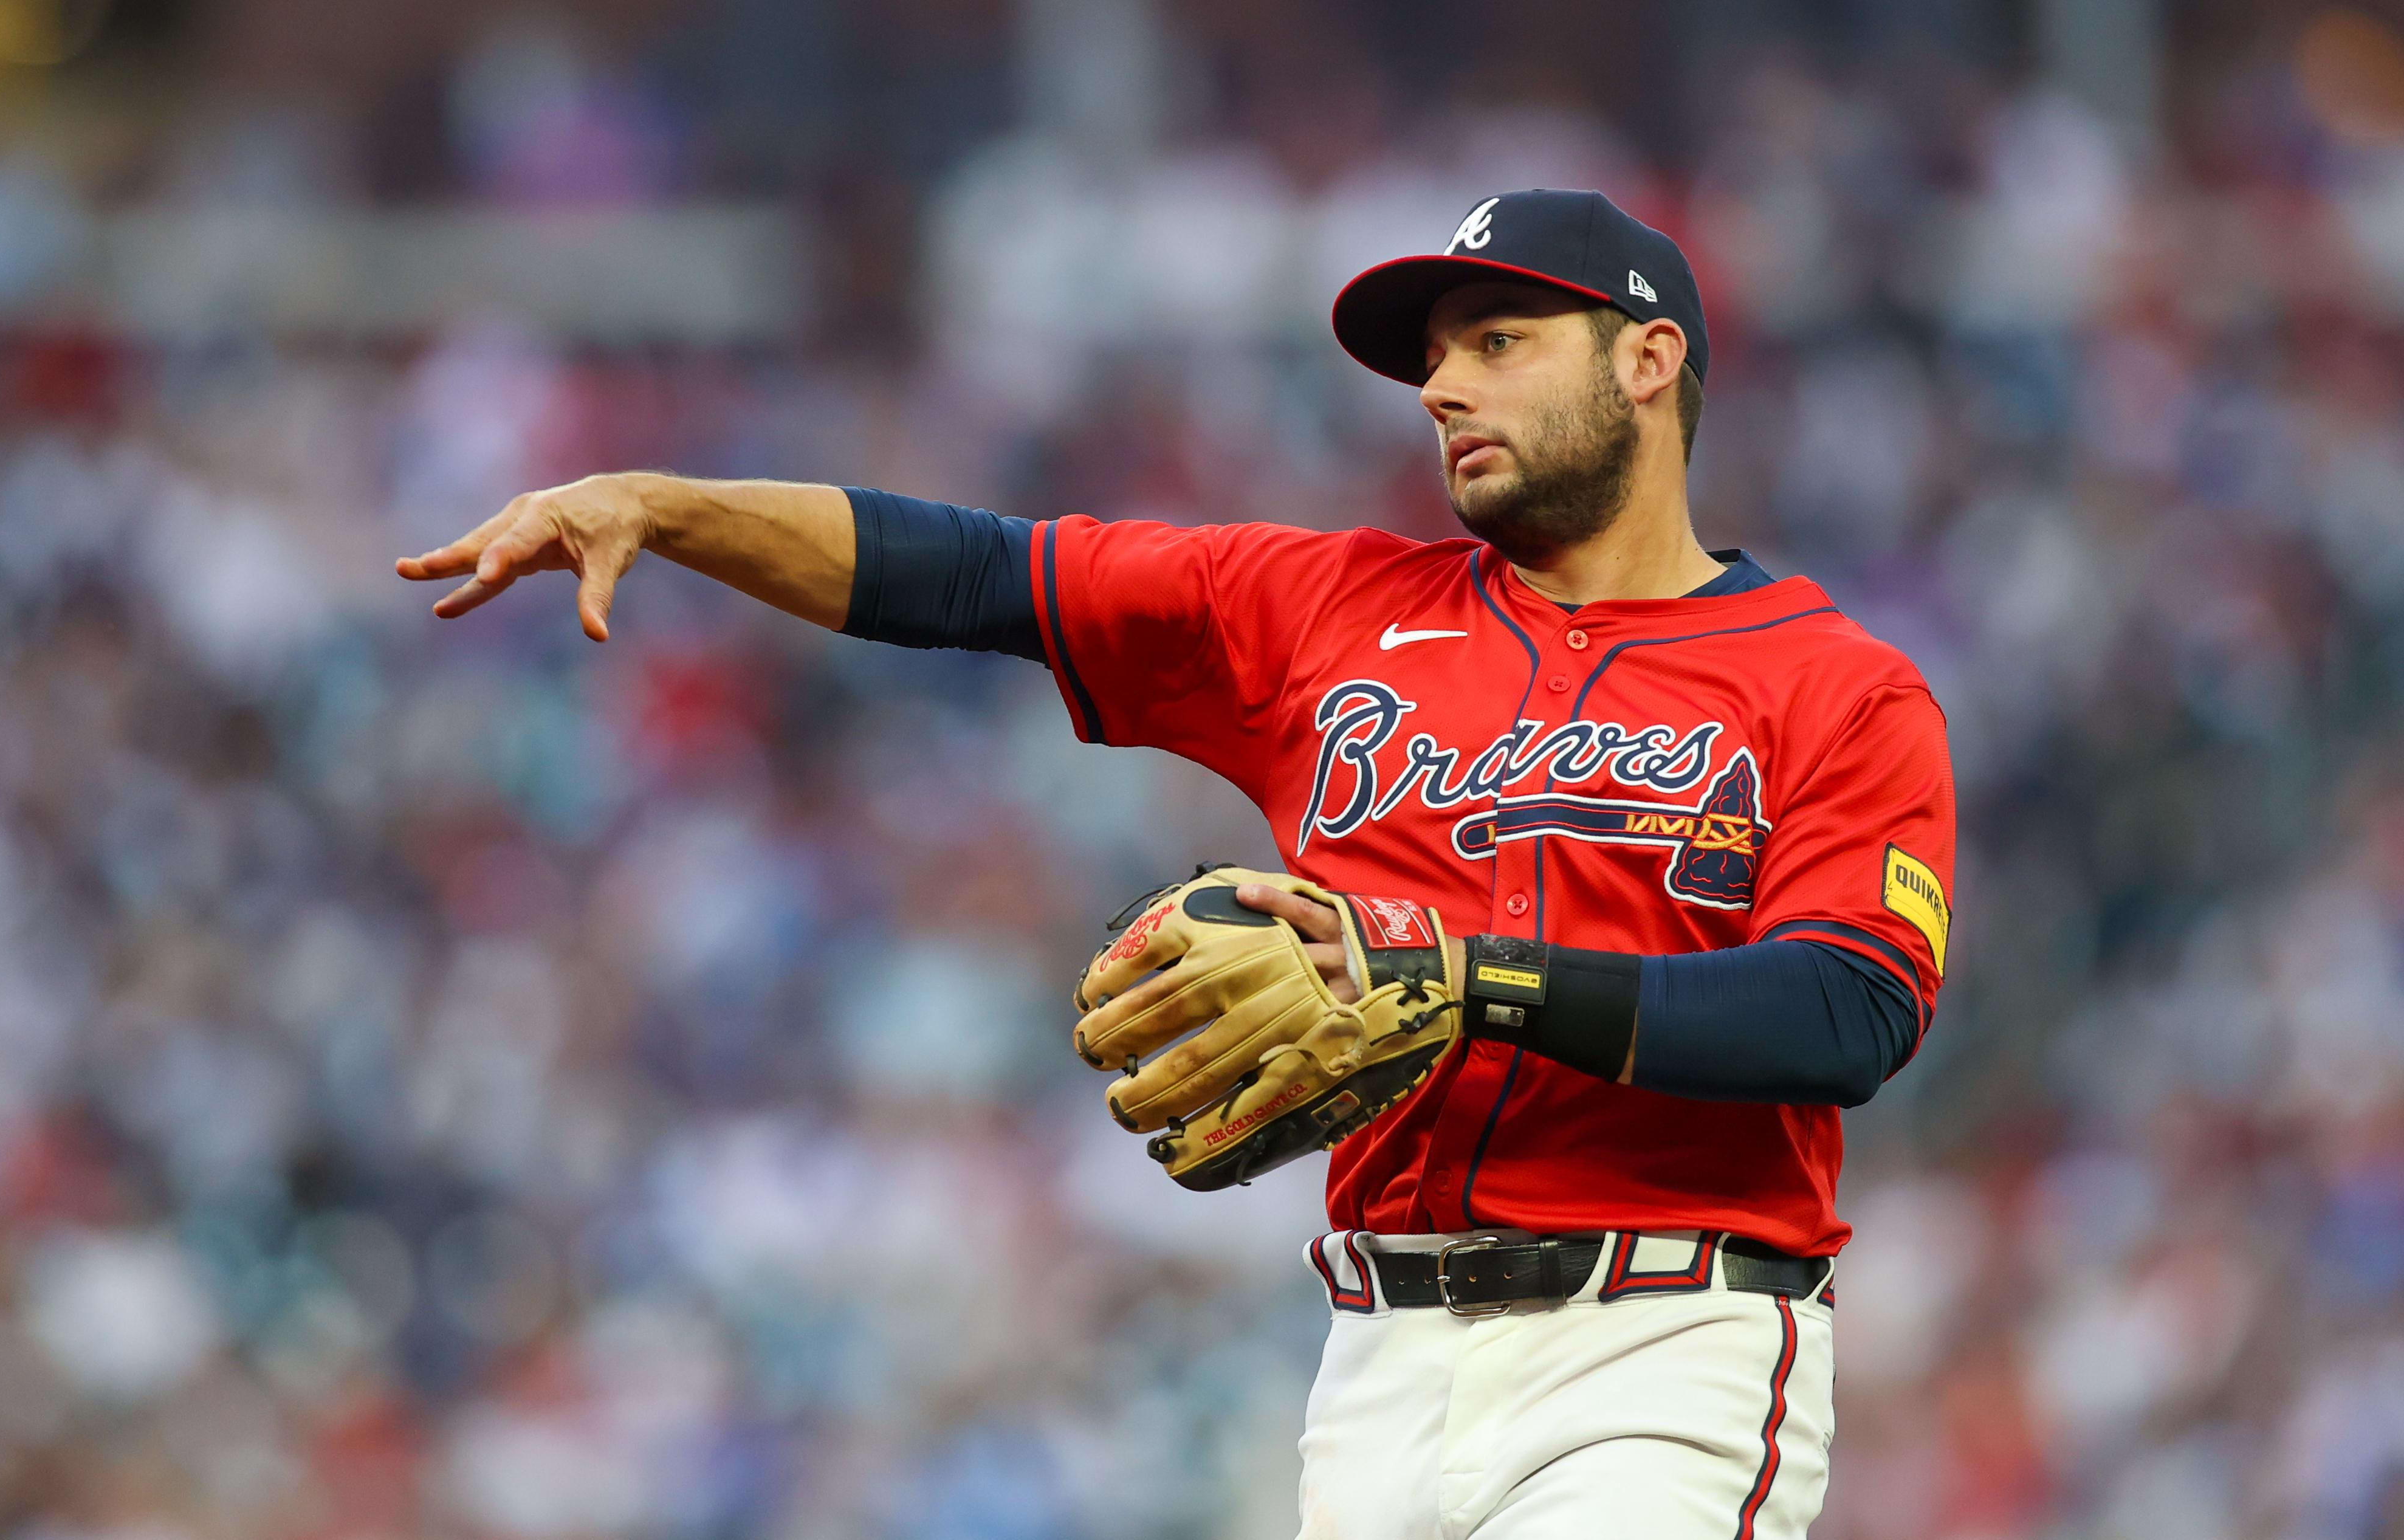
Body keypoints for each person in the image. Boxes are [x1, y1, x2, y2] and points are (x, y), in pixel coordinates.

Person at [398, 188, 1955, 1540]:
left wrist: (1471, 984)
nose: (1440, 389)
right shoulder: (1328, 608)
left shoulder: (1833, 686)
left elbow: (1844, 1015)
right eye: (1432, 359)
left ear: (1649, 359)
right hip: (1375, 1361)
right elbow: (973, 573)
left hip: (1664, 1343)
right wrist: (668, 508)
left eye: (1497, 342)